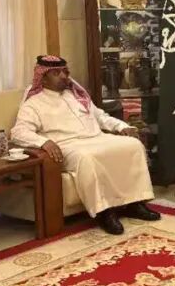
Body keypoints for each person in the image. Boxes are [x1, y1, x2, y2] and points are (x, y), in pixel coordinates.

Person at [11, 55, 160, 235]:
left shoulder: (77, 96)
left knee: (133, 145)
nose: (64, 76)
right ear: (43, 78)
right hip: (68, 146)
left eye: (65, 72)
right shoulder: (33, 104)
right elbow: (19, 132)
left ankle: (135, 203)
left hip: (97, 138)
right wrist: (44, 142)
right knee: (88, 157)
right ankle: (104, 212)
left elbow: (100, 117)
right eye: (56, 73)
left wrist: (122, 126)